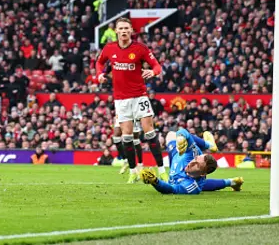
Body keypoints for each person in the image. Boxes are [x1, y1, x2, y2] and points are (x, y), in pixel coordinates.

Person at [95, 17, 166, 184]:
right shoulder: (110, 48)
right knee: (126, 135)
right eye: (121, 28)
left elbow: (157, 66)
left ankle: (162, 170)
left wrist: (153, 73)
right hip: (121, 99)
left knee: (148, 131)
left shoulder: (140, 49)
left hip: (139, 96)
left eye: (127, 28)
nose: (124, 31)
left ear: (131, 31)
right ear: (117, 31)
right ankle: (133, 171)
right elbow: (99, 62)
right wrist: (99, 75)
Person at [140, 128, 243, 195]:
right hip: (177, 155)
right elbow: (183, 132)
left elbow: (171, 190)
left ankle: (231, 181)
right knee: (171, 134)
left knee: (202, 186)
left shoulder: (191, 186)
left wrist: (155, 182)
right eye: (196, 159)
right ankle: (209, 145)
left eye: (197, 165)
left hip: (186, 176)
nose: (192, 163)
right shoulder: (193, 154)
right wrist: (181, 137)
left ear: (203, 174)